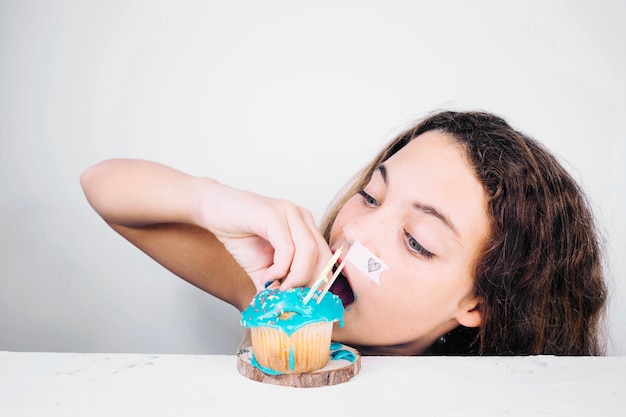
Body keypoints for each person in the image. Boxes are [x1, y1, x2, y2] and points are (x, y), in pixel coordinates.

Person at [80, 110, 608, 356]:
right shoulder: (288, 301)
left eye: (418, 240)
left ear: (476, 303)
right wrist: (213, 201)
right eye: (371, 197)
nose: (356, 231)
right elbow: (103, 186)